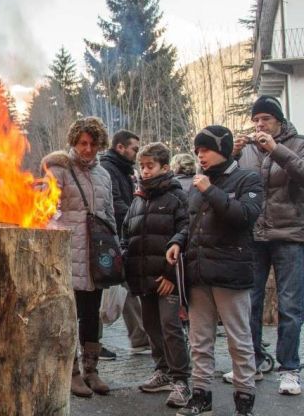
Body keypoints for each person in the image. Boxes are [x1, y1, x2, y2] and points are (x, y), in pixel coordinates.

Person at [167, 125, 262, 416]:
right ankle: (201, 396)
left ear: (222, 148)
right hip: (198, 273)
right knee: (199, 340)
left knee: (239, 340)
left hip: (231, 274)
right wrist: (177, 242)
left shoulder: (248, 179)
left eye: (205, 149)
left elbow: (244, 217)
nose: (200, 156)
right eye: (197, 151)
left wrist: (211, 190)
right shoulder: (199, 184)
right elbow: (190, 223)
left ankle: (244, 401)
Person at [226, 96, 304, 396]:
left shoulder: (296, 144)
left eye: (266, 119)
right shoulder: (246, 150)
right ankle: (252, 363)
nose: (259, 124)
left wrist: (277, 150)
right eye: (256, 119)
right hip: (254, 237)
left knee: (291, 306)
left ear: (279, 122)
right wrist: (230, 155)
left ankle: (290, 369)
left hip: (290, 235)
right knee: (250, 303)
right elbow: (226, 183)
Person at [41, 116, 116, 398]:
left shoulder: (104, 174)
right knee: (68, 316)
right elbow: (46, 211)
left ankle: (91, 370)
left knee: (90, 315)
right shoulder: (59, 169)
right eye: (83, 143)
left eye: (93, 143)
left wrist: (113, 247)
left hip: (96, 256)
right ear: (74, 142)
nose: (87, 149)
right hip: (68, 254)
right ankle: (70, 372)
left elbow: (108, 214)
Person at [122, 143, 191, 408]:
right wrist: (126, 259)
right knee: (151, 327)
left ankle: (181, 380)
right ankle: (161, 370)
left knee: (170, 327)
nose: (145, 171)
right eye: (142, 166)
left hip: (167, 279)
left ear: (165, 167)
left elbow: (185, 234)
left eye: (150, 166)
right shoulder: (138, 198)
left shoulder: (177, 197)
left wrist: (171, 274)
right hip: (143, 279)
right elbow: (128, 232)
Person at [100, 129, 149, 359]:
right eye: (134, 149)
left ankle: (139, 336)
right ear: (120, 147)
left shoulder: (124, 170)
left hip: (123, 234)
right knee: (99, 286)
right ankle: (93, 341)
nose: (136, 154)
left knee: (128, 285)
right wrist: (138, 214)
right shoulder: (109, 169)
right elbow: (115, 203)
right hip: (112, 235)